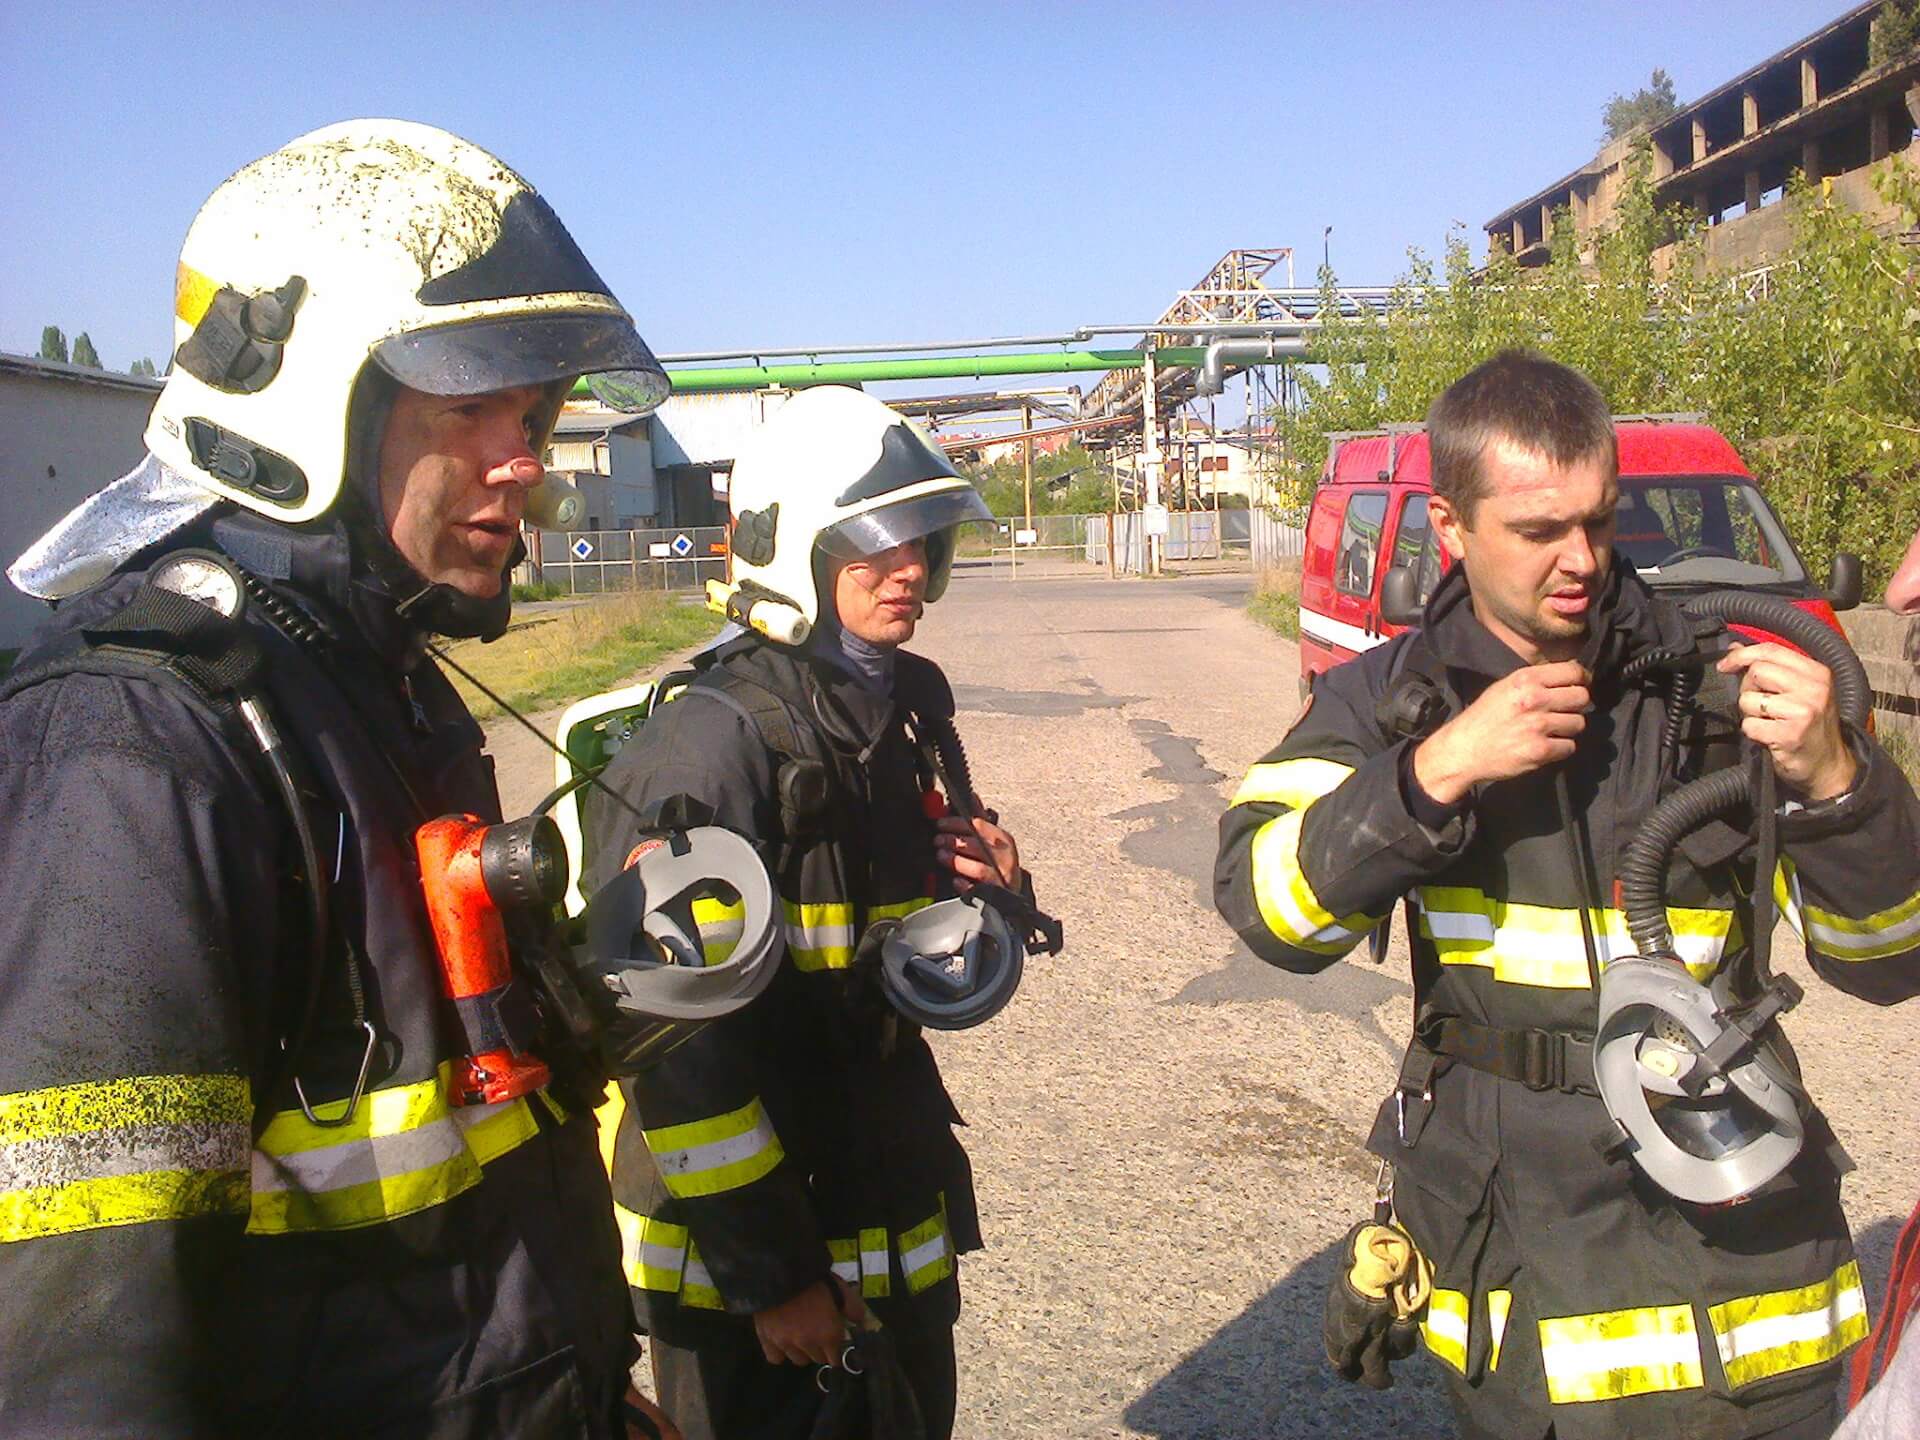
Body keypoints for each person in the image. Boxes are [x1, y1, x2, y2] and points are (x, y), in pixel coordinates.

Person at [0, 120, 679, 1439]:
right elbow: (83, 1352)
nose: (526, 462)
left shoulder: (380, 684)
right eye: (471, 406)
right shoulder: (138, 742)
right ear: (304, 403)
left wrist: (590, 1392)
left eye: (534, 415)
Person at [1215, 350, 1920, 1440]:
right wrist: (1434, 772)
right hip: (1520, 1267)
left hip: (1742, 1266)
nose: (1582, 559)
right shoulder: (1384, 703)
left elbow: (1885, 961)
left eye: (1598, 520)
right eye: (1539, 530)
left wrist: (1836, 781)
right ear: (1450, 526)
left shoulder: (1722, 693)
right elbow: (1270, 913)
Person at [585, 385, 1023, 1440]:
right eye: (874, 546)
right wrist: (773, 1277)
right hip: (747, 1275)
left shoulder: (885, 719)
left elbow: (891, 964)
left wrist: (995, 895)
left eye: (920, 539)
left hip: (883, 1197)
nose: (907, 568)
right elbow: (672, 1046)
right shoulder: (709, 746)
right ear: (795, 551)